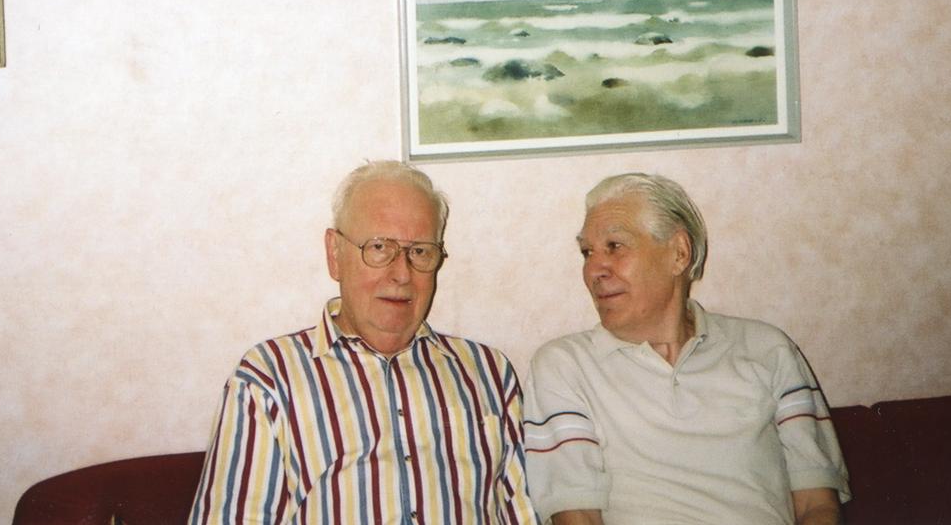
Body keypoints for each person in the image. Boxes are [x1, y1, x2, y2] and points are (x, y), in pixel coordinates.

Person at [189, 160, 541, 524]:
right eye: (379, 247)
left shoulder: (488, 372)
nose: (401, 274)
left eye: (420, 251)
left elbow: (521, 514)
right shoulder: (269, 378)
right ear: (335, 253)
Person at [523, 172, 849, 525]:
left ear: (679, 253)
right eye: (587, 252)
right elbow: (577, 516)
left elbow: (818, 505)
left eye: (614, 246)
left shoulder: (768, 349)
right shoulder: (565, 366)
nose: (593, 270)